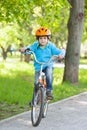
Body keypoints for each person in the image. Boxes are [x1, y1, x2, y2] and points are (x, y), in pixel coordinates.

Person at [20, 27, 65, 100]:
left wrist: (61, 54)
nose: (43, 40)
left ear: (48, 38)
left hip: (48, 65)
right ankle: (34, 100)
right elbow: (29, 48)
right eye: (40, 38)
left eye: (44, 38)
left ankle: (49, 91)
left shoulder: (51, 46)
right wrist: (24, 49)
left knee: (49, 74)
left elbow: (59, 51)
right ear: (37, 39)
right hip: (38, 66)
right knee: (36, 83)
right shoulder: (35, 45)